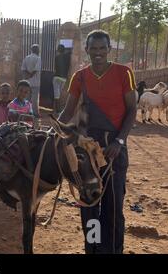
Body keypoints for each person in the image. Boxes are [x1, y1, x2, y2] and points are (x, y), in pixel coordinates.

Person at [59, 30, 137, 254]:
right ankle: (92, 248)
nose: (98, 53)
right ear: (87, 50)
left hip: (114, 149)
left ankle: (112, 250)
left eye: (102, 48)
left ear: (109, 49)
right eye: (93, 48)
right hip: (88, 152)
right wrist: (51, 129)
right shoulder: (80, 77)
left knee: (113, 208)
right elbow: (68, 110)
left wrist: (119, 141)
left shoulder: (124, 73)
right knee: (89, 206)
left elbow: (132, 110)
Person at [21, 44, 41, 117]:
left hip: (27, 82)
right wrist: (31, 75)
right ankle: (35, 113)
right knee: (34, 99)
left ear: (31, 50)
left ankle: (26, 112)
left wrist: (27, 75)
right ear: (37, 50)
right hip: (35, 82)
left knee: (27, 98)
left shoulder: (26, 58)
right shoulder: (38, 58)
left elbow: (23, 69)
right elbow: (36, 69)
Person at [53, 44, 72, 114]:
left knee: (56, 95)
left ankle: (57, 110)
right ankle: (59, 109)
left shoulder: (56, 57)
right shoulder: (68, 57)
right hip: (64, 78)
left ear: (58, 50)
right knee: (59, 94)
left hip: (57, 77)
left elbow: (55, 68)